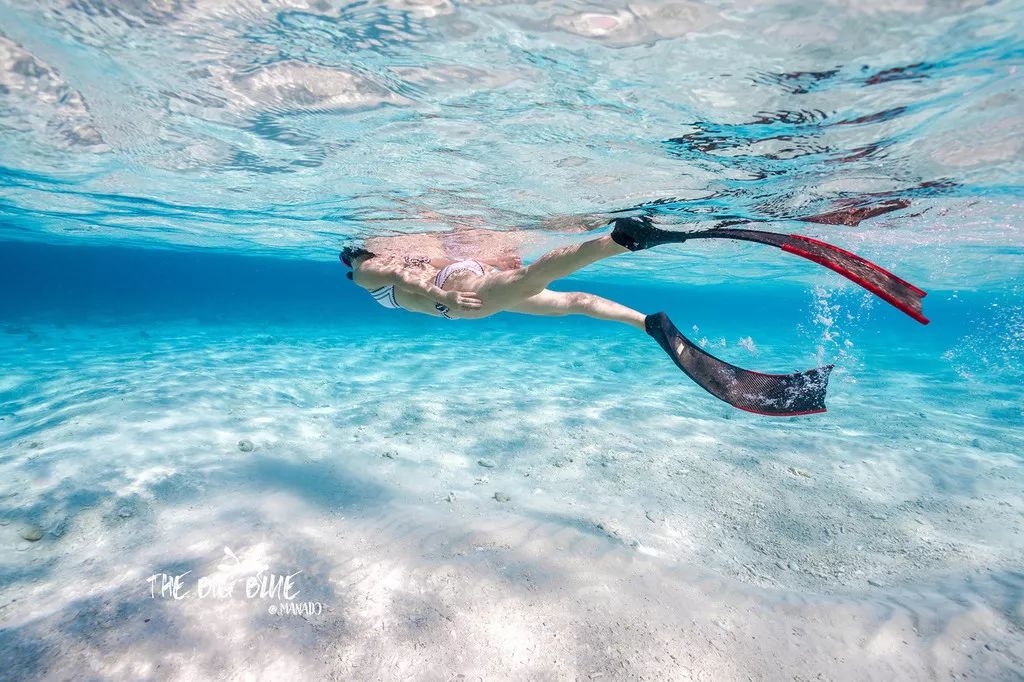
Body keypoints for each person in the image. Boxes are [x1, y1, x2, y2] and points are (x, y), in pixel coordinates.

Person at [340, 217, 928, 417]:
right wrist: (416, 268)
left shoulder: (366, 271)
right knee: (574, 303)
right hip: (457, 286)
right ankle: (646, 323)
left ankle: (617, 241)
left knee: (527, 282)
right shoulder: (374, 267)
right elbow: (393, 272)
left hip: (458, 295)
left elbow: (393, 275)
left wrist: (421, 272)